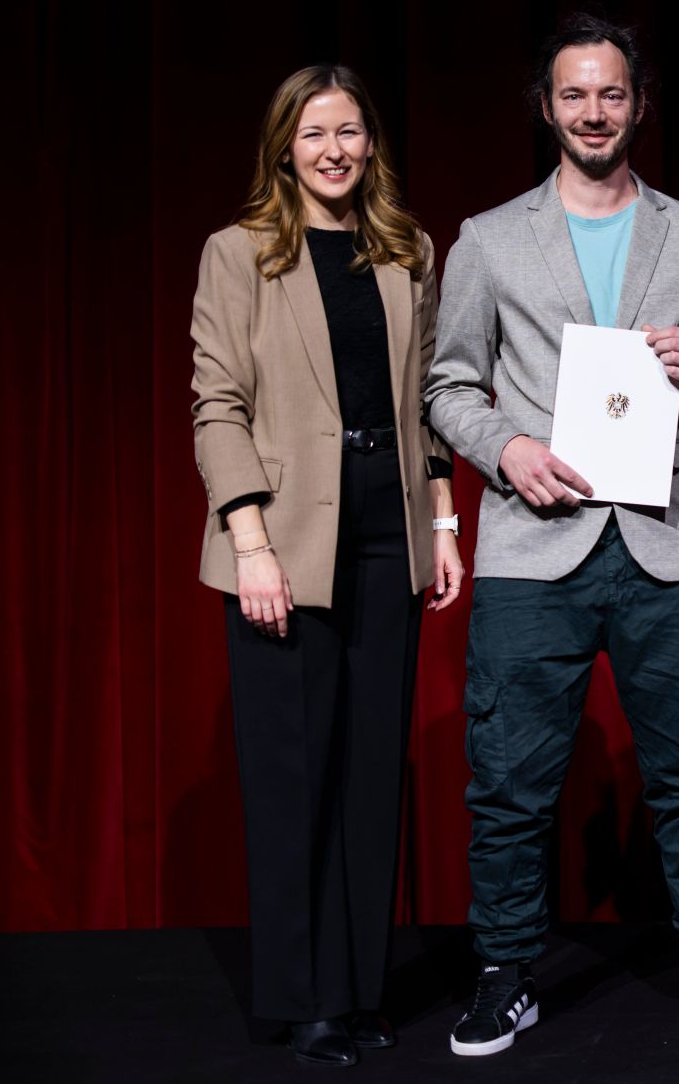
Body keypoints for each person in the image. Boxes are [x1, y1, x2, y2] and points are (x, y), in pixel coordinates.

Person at [426, 12, 679, 1055]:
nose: (594, 111)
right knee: (509, 780)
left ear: (638, 105)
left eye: (611, 93)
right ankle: (503, 972)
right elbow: (447, 386)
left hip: (666, 539)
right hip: (533, 543)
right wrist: (507, 448)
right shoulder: (488, 238)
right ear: (546, 107)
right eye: (575, 94)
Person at [190, 65, 464, 1068]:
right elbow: (217, 405)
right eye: (313, 134)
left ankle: (357, 990)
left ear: (370, 144)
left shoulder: (406, 251)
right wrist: (251, 544)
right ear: (284, 147)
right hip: (282, 542)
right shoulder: (239, 252)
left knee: (367, 772)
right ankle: (305, 998)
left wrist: (443, 523)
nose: (333, 150)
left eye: (348, 131)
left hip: (388, 530)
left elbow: (427, 402)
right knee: (293, 774)